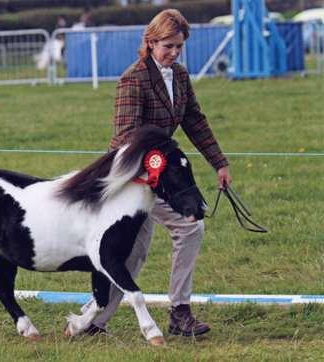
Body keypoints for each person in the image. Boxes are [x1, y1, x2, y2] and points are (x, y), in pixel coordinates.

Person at [83, 9, 232, 337]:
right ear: (150, 43)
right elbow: (124, 136)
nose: (174, 52)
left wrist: (219, 162)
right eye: (167, 46)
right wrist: (155, 166)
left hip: (159, 177)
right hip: (134, 177)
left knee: (144, 249)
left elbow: (194, 119)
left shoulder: (179, 75)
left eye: (179, 46)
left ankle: (97, 322)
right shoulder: (132, 79)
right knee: (169, 238)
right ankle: (165, 315)